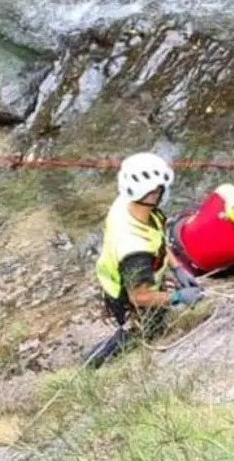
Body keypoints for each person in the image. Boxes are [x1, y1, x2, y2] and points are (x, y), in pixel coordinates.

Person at [86, 152, 204, 368]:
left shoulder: (128, 203)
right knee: (144, 331)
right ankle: (94, 362)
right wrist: (178, 296)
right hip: (124, 295)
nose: (165, 192)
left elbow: (156, 237)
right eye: (161, 189)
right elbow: (139, 297)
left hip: (127, 275)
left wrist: (177, 268)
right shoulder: (134, 249)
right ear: (151, 193)